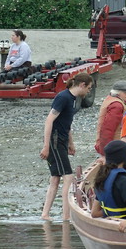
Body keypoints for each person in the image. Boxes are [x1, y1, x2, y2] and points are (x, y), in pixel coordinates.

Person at [39, 72, 93, 220]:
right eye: (88, 88)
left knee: (55, 178)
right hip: (55, 140)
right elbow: (49, 120)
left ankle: (45, 214)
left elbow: (67, 123)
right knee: (68, 177)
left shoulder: (74, 99)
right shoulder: (63, 97)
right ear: (81, 85)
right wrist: (46, 146)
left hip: (62, 139)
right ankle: (66, 217)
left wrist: (71, 143)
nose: (89, 91)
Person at [91, 140, 126, 219]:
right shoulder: (125, 181)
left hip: (111, 224)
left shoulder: (101, 177)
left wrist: (110, 213)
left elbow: (94, 213)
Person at [94, 80, 126, 155]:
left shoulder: (111, 100)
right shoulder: (117, 105)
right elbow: (107, 130)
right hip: (115, 147)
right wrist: (105, 153)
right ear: (117, 93)